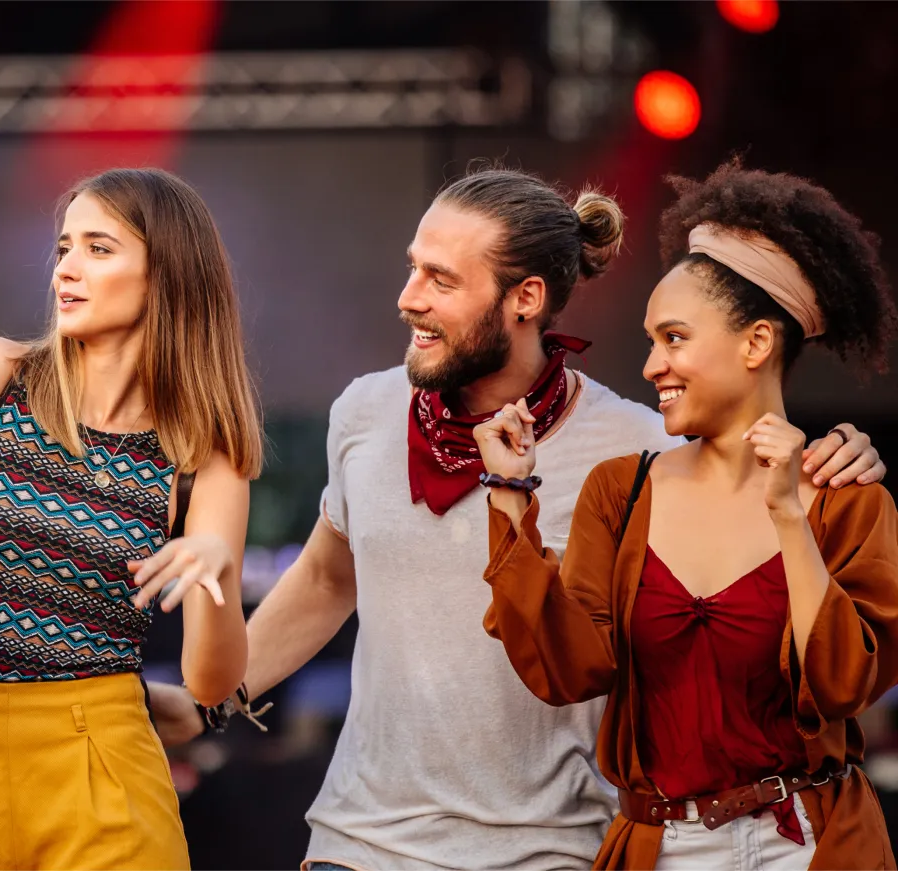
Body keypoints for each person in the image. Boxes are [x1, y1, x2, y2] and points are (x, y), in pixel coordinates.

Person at [147, 166, 887, 870]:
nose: (408, 297)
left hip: (553, 847)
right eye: (413, 268)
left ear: (526, 298)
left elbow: (748, 508)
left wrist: (836, 461)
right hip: (360, 838)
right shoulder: (364, 412)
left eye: (441, 279)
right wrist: (212, 703)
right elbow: (324, 580)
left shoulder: (638, 450)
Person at [0, 167, 263, 869]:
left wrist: (219, 577)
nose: (66, 269)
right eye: (64, 248)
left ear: (167, 274)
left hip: (104, 758)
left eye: (98, 249)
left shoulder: (204, 453)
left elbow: (210, 686)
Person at [474, 161, 898, 869]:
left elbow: (842, 686)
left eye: (673, 338)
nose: (651, 365)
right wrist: (510, 496)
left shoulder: (847, 499)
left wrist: (788, 514)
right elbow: (568, 672)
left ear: (755, 343)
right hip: (663, 847)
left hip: (809, 843)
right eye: (652, 341)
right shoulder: (621, 491)